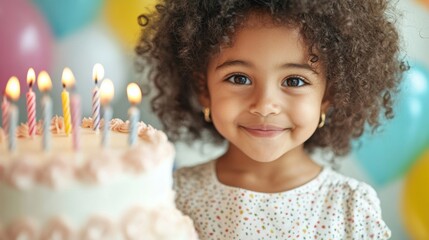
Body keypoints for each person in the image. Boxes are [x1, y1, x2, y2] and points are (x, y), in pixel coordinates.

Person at [136, 0, 405, 239]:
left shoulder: (350, 208)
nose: (264, 105)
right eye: (239, 78)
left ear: (328, 96)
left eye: (294, 81)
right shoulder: (170, 196)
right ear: (204, 90)